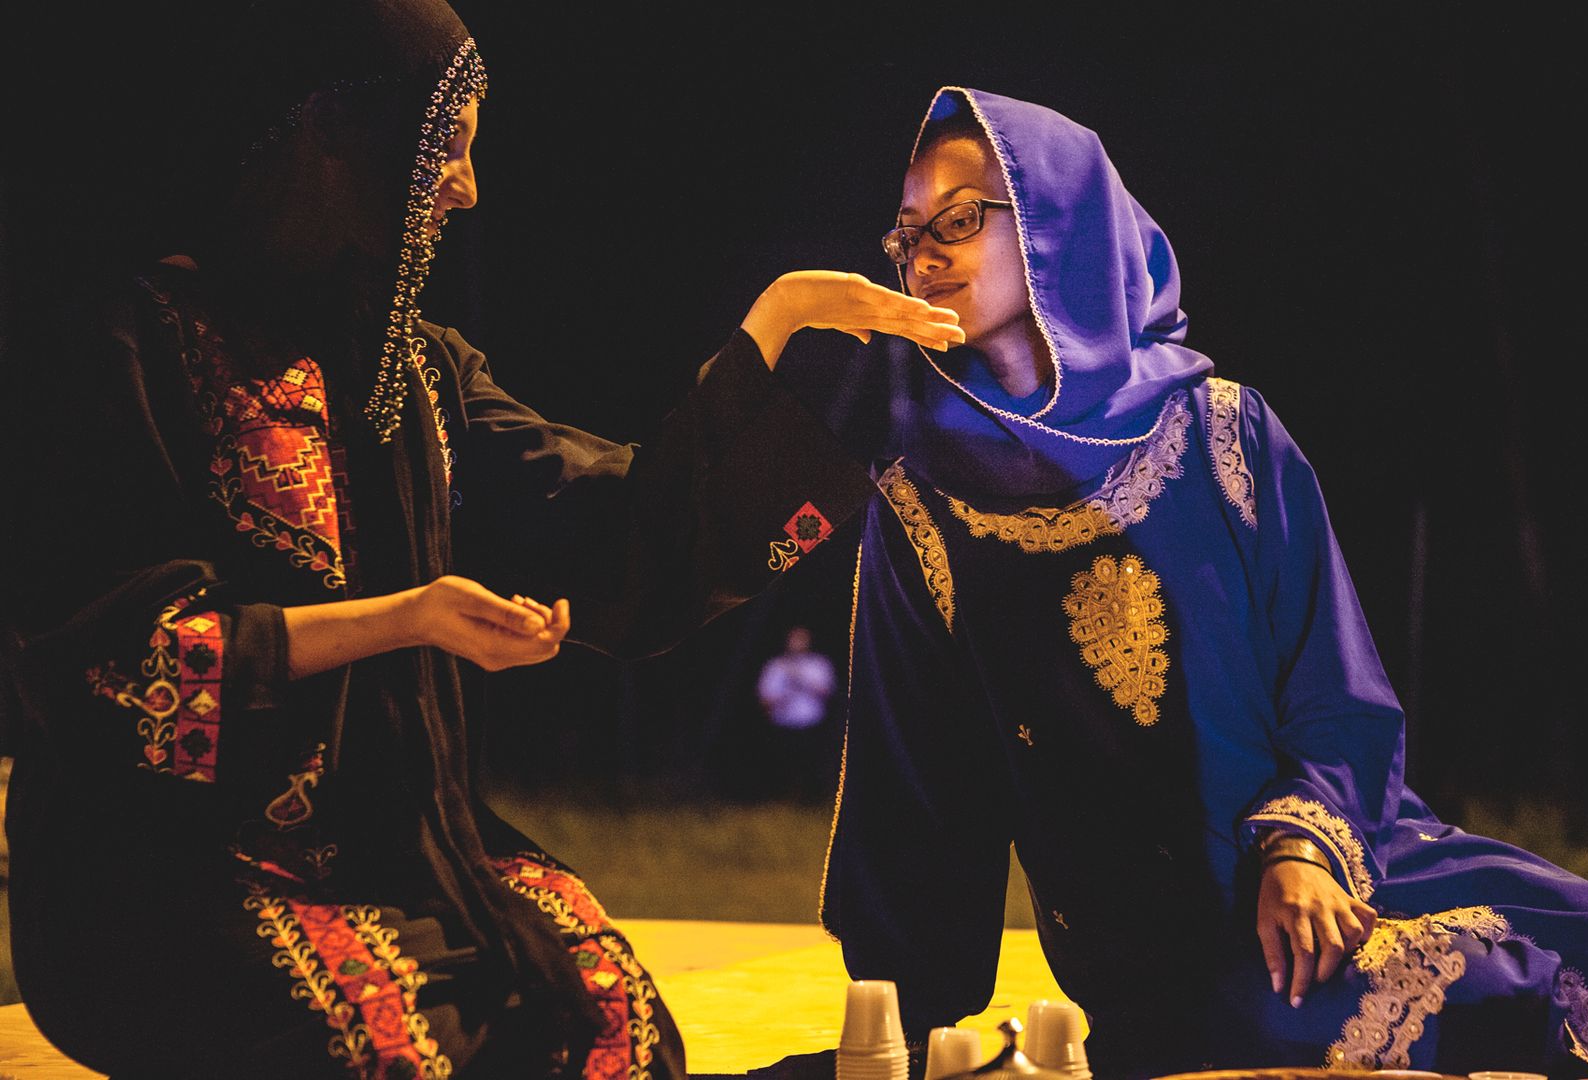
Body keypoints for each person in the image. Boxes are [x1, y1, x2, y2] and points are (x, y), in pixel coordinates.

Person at [0, 4, 966, 1077]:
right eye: (444, 143)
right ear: (342, 141)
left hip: (401, 853)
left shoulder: (414, 374)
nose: (466, 184)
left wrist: (778, 330)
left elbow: (618, 534)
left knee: (613, 1029)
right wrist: (405, 618)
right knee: (403, 1048)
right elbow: (115, 663)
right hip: (169, 877)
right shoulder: (131, 346)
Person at [817, 87, 1588, 1078]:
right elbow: (914, 793)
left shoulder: (1224, 435)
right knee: (1407, 1003)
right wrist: (900, 1020)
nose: (922, 254)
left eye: (958, 219)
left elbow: (1337, 692)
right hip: (1171, 952)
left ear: (1060, 218)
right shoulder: (921, 504)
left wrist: (1302, 848)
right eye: (907, 234)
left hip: (1345, 857)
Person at [756, 626, 839, 800]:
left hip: (812, 724)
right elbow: (764, 699)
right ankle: (781, 799)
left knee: (812, 765)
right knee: (783, 764)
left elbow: (827, 692)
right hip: (783, 723)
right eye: (794, 639)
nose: (798, 643)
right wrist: (782, 698)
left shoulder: (818, 664)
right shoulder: (775, 666)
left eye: (802, 639)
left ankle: (811, 800)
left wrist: (799, 677)